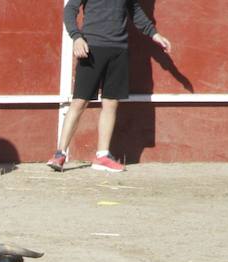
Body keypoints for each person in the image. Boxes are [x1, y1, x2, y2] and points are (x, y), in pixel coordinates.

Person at [47, 0, 172, 173]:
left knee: (111, 103)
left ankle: (102, 156)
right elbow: (70, 9)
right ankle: (60, 154)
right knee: (79, 102)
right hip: (91, 49)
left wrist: (154, 34)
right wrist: (76, 37)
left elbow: (135, 10)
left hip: (119, 50)